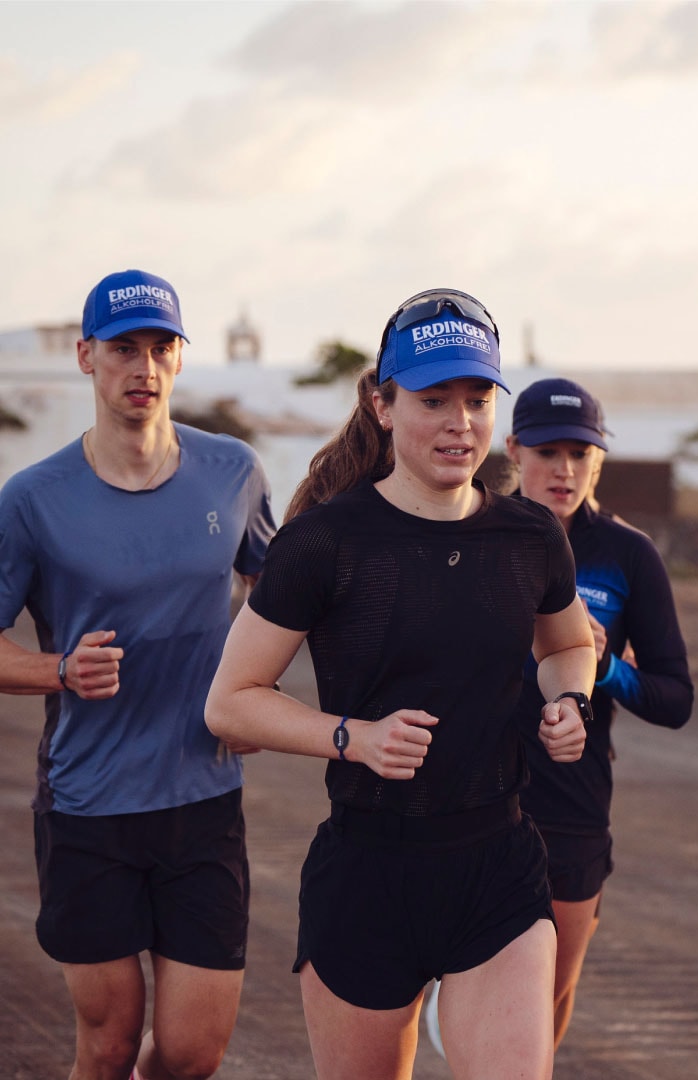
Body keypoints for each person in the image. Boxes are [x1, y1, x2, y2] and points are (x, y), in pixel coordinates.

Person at [204, 288, 596, 1080]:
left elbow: (566, 645)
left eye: (478, 399)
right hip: (369, 875)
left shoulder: (529, 535)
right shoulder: (325, 543)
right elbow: (230, 703)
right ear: (384, 406)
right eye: (433, 400)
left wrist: (569, 699)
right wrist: (353, 738)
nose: (460, 422)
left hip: (500, 869)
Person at [0, 269, 275, 1080]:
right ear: (87, 356)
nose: (143, 367)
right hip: (90, 807)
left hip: (204, 802)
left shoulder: (234, 472)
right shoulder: (32, 499)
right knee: (110, 1045)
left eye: (161, 348)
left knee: (190, 1054)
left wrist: (251, 686)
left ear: (182, 359)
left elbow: (283, 593)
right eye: (124, 348)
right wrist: (59, 670)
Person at [503, 376, 693, 1045]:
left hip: (573, 801)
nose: (564, 469)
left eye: (580, 453)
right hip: (469, 789)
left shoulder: (627, 555)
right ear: (514, 450)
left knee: (548, 989)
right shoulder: (472, 531)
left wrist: (604, 665)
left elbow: (675, 700)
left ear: (599, 461)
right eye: (548, 451)